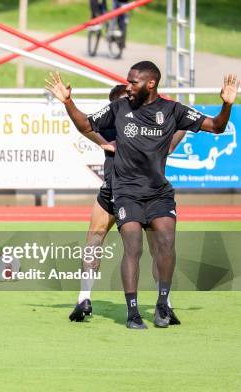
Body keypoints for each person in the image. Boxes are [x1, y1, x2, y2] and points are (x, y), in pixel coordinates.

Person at [46, 63, 238, 329]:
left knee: (161, 247)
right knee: (105, 240)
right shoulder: (116, 113)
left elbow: (210, 127)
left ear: (149, 84)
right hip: (116, 191)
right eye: (125, 87)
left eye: (132, 84)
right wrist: (69, 102)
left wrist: (223, 106)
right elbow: (86, 125)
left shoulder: (169, 112)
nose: (127, 90)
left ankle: (163, 303)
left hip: (153, 193)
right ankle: (86, 297)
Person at [69, 85, 185, 323]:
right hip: (126, 195)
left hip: (127, 194)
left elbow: (85, 128)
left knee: (99, 241)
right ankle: (164, 304)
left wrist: (101, 141)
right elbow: (173, 141)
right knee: (149, 250)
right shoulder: (127, 121)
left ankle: (85, 298)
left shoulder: (122, 123)